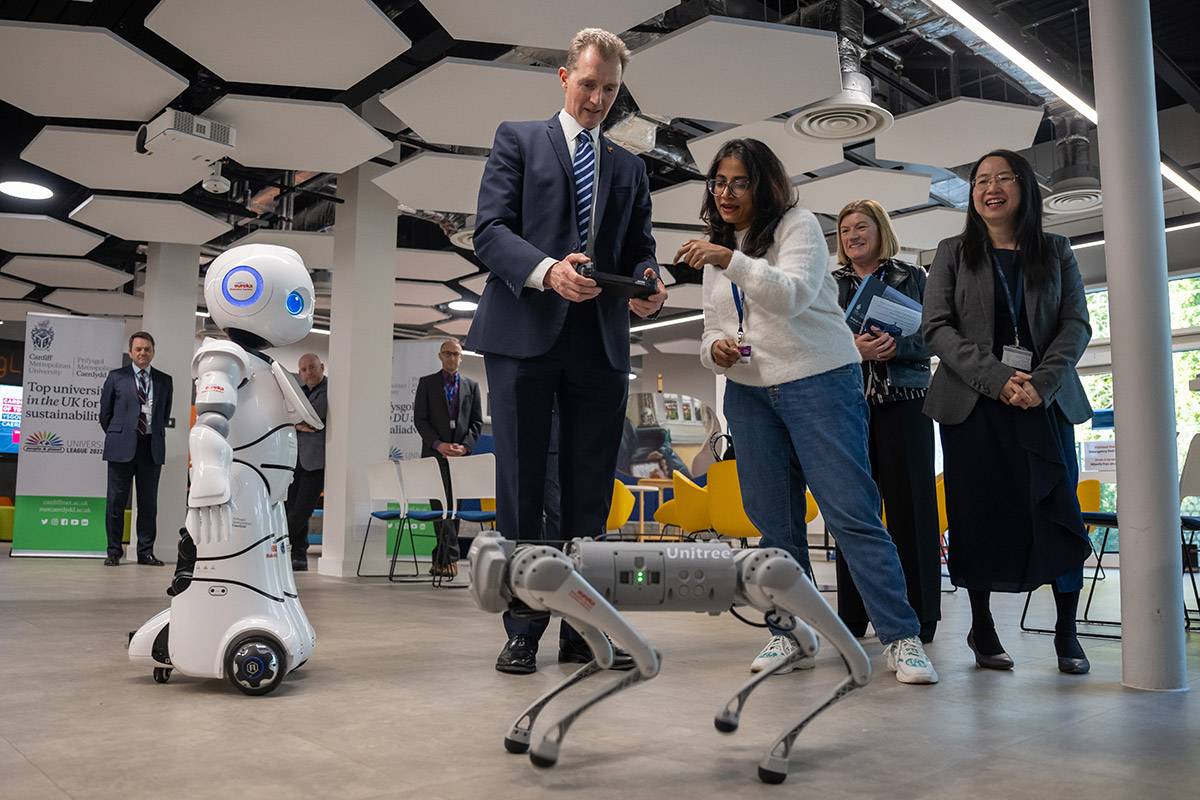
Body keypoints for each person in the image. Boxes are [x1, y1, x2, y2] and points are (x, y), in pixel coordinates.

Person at [677, 138, 937, 685]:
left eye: (738, 181)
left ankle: (901, 637)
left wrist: (730, 259)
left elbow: (790, 296)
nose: (724, 192)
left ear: (763, 185)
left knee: (851, 514)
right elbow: (712, 326)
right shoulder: (722, 247)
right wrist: (715, 351)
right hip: (749, 392)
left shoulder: (797, 227)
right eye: (718, 182)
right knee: (774, 522)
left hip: (819, 380)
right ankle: (791, 631)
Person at [466, 27, 667, 674]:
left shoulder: (631, 167)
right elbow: (490, 232)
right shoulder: (518, 140)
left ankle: (582, 622)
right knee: (523, 487)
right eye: (588, 85)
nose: (598, 99)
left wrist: (648, 282)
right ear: (563, 77)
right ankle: (523, 624)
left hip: (601, 339)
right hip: (525, 335)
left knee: (589, 495)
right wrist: (548, 270)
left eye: (610, 89)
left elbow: (639, 247)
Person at [922, 149, 1093, 675]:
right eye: (980, 180)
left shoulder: (1057, 250)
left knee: (1057, 511)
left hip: (1044, 402)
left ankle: (1067, 628)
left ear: (1025, 188)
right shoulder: (952, 251)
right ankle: (983, 625)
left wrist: (1040, 382)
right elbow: (937, 328)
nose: (989, 188)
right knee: (978, 515)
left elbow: (1076, 325)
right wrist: (999, 380)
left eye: (1002, 179)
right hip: (975, 406)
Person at [832, 199, 941, 643]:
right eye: (844, 230)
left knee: (913, 510)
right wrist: (851, 350)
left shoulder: (912, 277)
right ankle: (854, 615)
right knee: (854, 512)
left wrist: (902, 348)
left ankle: (921, 616)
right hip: (848, 406)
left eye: (861, 227)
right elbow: (813, 341)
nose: (853, 235)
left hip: (906, 403)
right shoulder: (829, 285)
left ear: (881, 231)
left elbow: (936, 335)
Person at [99, 331, 172, 567]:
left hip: (151, 447)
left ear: (153, 352)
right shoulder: (116, 377)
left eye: (147, 349)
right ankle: (113, 552)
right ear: (130, 352)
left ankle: (145, 552)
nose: (143, 353)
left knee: (148, 504)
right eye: (138, 349)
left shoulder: (164, 380)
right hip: (121, 447)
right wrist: (119, 434)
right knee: (116, 502)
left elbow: (163, 415)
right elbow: (105, 415)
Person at [413, 339, 483, 578]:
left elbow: (476, 422)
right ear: (440, 356)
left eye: (456, 354)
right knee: (439, 507)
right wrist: (439, 444)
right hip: (435, 454)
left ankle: (442, 559)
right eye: (448, 354)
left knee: (455, 508)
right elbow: (420, 420)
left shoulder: (471, 386)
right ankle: (449, 558)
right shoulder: (427, 384)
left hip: (460, 457)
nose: (452, 358)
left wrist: (464, 447)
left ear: (461, 358)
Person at [284, 353, 327, 572]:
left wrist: (295, 422)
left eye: (312, 368)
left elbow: (315, 416)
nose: (308, 373)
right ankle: (298, 555)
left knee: (302, 510)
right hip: (295, 459)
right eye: (303, 370)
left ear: (321, 367)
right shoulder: (301, 392)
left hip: (316, 461)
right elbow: (285, 416)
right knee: (290, 505)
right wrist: (297, 424)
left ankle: (277, 543)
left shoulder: (328, 390)